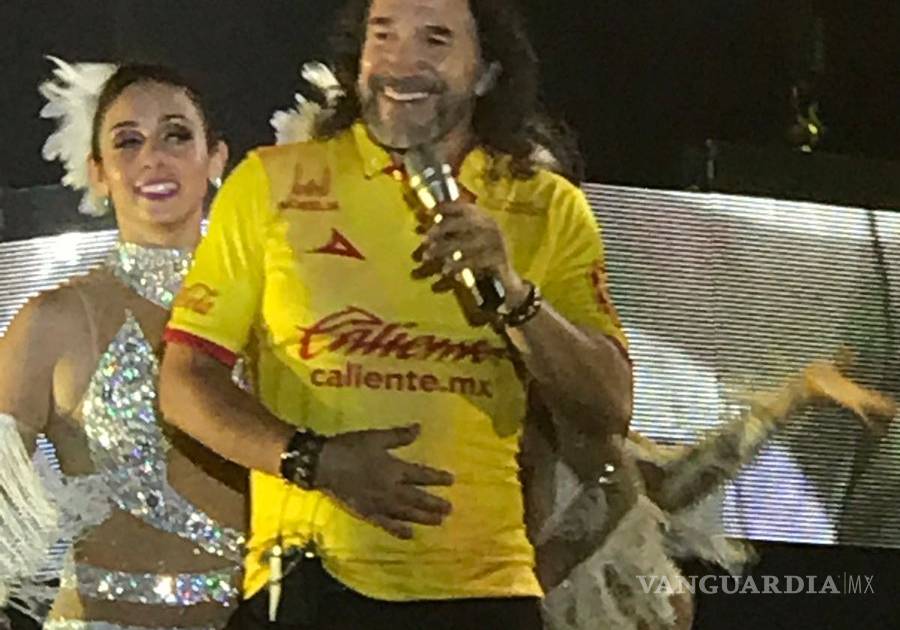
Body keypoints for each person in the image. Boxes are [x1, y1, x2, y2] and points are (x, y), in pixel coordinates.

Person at [158, 0, 632, 628]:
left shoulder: (550, 207)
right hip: (309, 582)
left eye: (435, 40)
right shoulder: (271, 182)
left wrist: (517, 297)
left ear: (487, 73)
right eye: (383, 36)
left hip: (485, 593)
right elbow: (185, 382)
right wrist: (314, 461)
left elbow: (609, 408)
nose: (402, 63)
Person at [0, 59, 245, 630]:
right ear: (98, 172)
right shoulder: (52, 322)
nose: (152, 158)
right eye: (128, 142)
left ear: (216, 159)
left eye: (176, 135)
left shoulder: (272, 314)